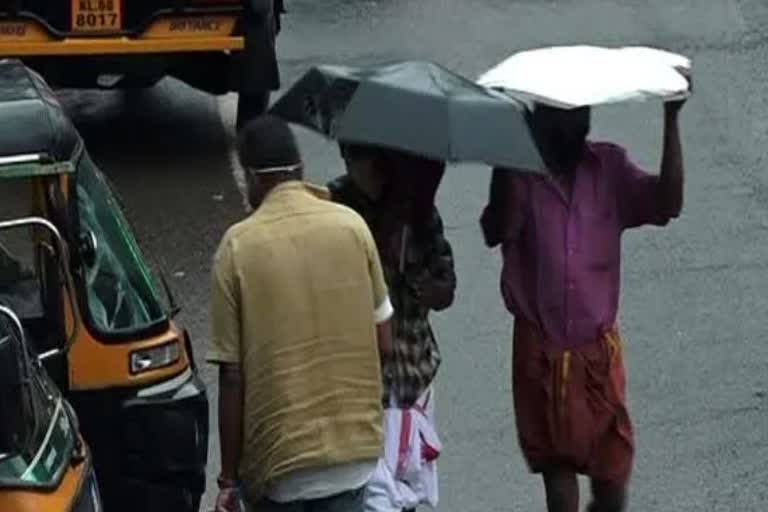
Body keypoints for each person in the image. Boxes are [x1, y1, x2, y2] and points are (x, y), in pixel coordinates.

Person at [479, 91, 689, 512]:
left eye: (582, 116)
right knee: (559, 478)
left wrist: (671, 121)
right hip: (541, 350)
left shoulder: (608, 168)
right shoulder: (519, 176)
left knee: (612, 481)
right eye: (564, 119)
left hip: (597, 352)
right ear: (540, 123)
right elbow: (496, 227)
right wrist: (505, 153)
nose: (577, 127)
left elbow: (667, 203)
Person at [207, 115, 394, 512]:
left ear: (252, 178)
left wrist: (229, 479)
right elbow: (384, 341)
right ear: (301, 169)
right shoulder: (352, 227)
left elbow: (232, 375)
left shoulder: (237, 248)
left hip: (282, 466)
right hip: (355, 458)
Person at [328, 144, 456, 512]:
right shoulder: (335, 206)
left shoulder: (417, 211)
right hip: (360, 384)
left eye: (358, 157)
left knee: (409, 492)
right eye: (346, 157)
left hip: (412, 373)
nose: (351, 166)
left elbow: (445, 289)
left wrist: (416, 277)